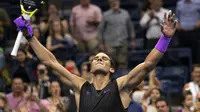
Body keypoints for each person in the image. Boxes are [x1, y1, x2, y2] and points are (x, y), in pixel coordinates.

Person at [15, 10, 177, 112]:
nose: (99, 59)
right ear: (90, 68)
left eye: (104, 58)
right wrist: (30, 37)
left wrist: (165, 38)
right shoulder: (80, 86)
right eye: (96, 58)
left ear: (112, 69)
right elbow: (51, 62)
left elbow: (148, 64)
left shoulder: (121, 86)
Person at [98, 0, 135, 70]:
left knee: (123, 64)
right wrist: (101, 43)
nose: (114, 3)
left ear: (119, 2)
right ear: (109, 3)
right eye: (112, 2)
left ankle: (122, 80)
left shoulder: (125, 13)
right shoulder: (105, 15)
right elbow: (100, 30)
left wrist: (132, 40)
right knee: (110, 64)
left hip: (123, 42)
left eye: (115, 1)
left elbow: (130, 28)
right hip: (110, 44)